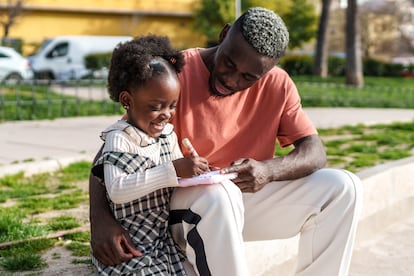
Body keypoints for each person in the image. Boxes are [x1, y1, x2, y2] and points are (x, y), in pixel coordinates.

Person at [90, 7, 363, 276]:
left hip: (240, 202)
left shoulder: (278, 84)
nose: (231, 79)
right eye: (229, 63)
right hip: (178, 209)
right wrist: (99, 220)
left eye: (248, 77)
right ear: (224, 34)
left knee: (344, 187)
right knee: (220, 194)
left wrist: (269, 170)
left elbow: (315, 152)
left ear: (268, 70)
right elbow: (112, 151)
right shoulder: (174, 75)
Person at [90, 35, 210, 275]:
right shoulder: (120, 138)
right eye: (156, 107)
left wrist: (195, 171)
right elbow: (117, 189)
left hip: (162, 240)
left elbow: (178, 180)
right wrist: (173, 171)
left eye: (172, 105)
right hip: (129, 244)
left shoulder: (168, 135)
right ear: (127, 100)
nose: (166, 114)